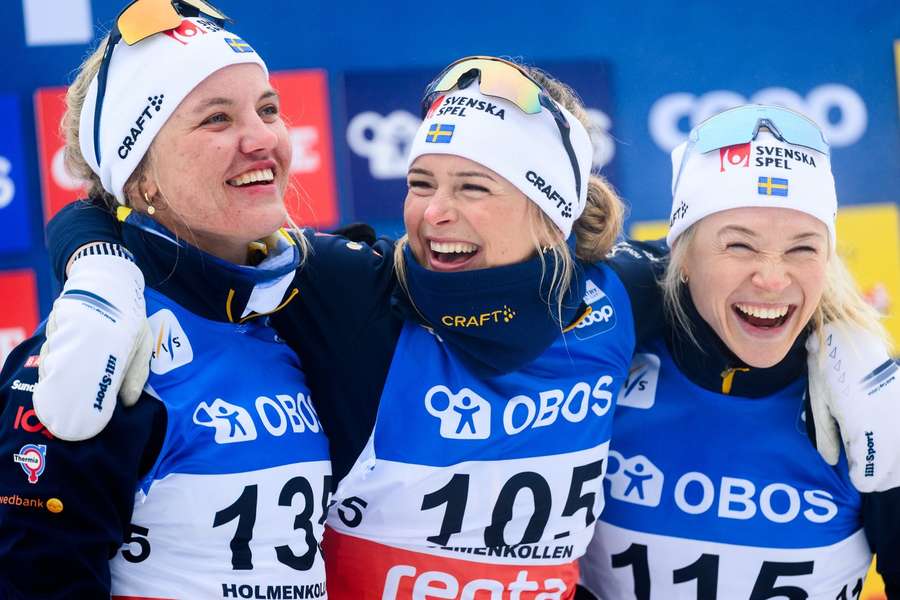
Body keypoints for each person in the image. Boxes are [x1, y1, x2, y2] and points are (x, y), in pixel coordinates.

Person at [38, 55, 637, 598]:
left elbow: (717, 274)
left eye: (473, 188)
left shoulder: (617, 298)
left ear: (552, 210)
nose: (434, 214)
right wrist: (98, 265)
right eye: (420, 184)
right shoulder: (355, 290)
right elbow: (122, 206)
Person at [0, 3, 331, 598]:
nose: (261, 138)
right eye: (216, 120)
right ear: (140, 176)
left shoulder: (310, 306)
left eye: (268, 109)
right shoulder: (95, 347)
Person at [578, 105, 900, 598]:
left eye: (802, 248)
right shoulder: (605, 348)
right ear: (683, 258)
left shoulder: (870, 404)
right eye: (739, 246)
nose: (772, 279)